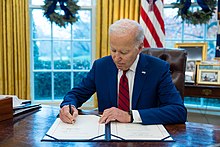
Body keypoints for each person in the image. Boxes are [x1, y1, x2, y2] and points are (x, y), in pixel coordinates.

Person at [59, 19, 187, 125]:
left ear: (140, 48)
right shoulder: (101, 66)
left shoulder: (158, 69)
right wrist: (68, 106)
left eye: (124, 52)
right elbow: (76, 94)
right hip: (106, 137)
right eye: (113, 50)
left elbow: (178, 111)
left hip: (144, 137)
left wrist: (130, 116)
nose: (116, 57)